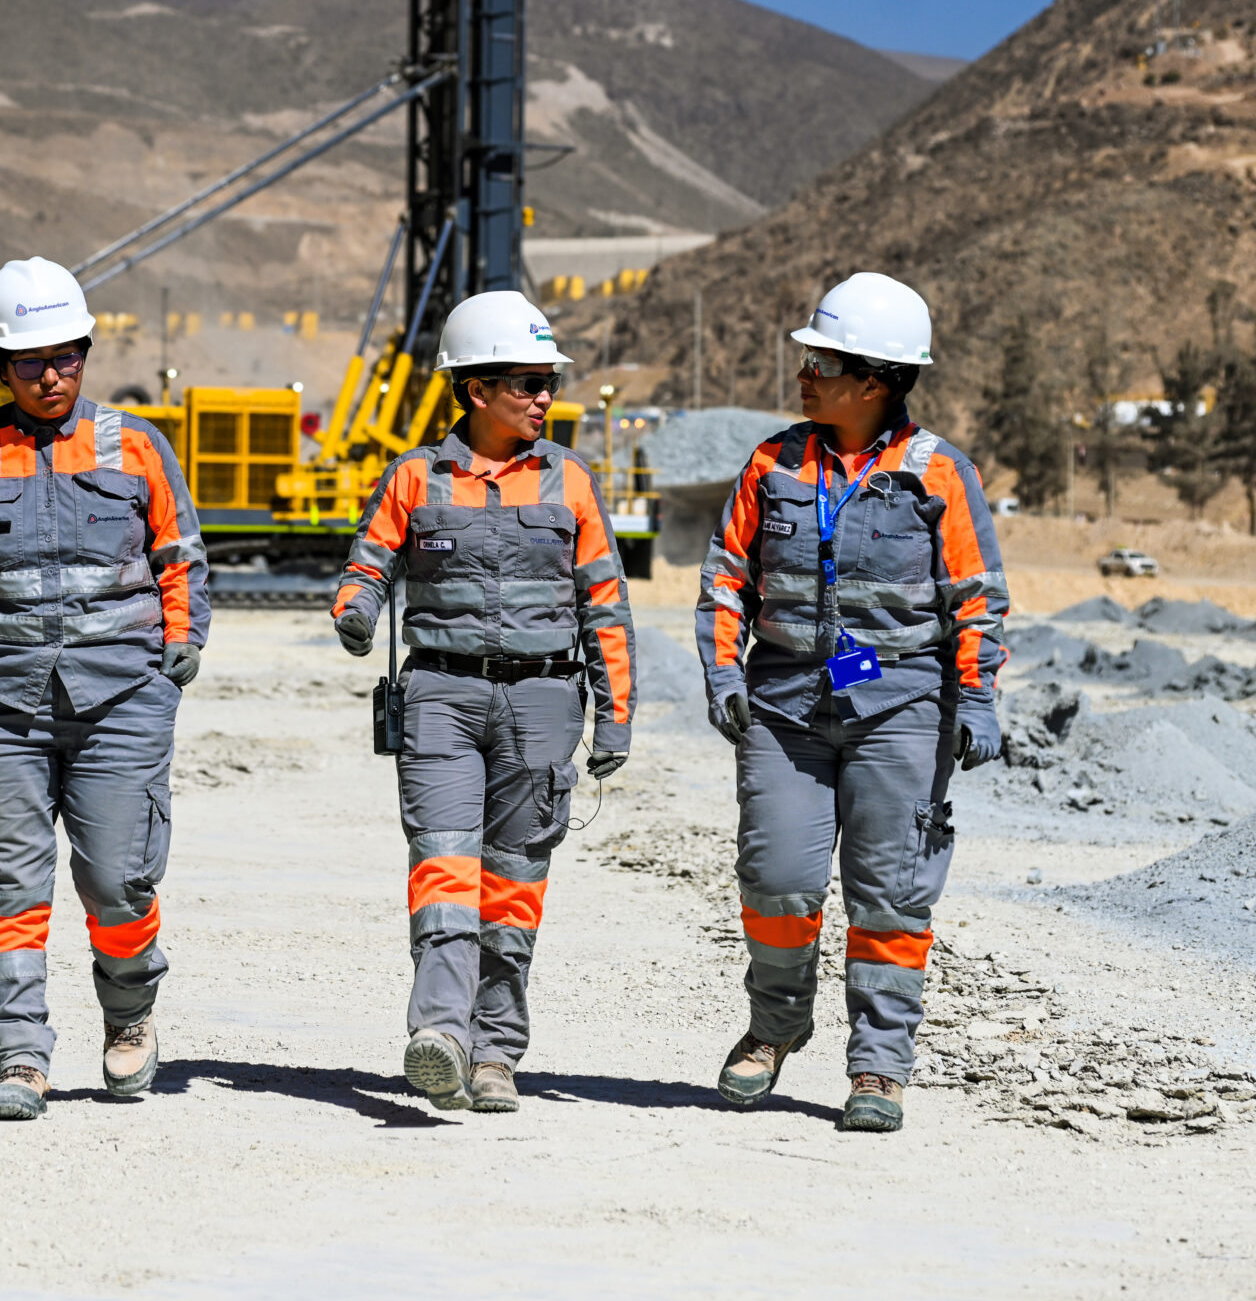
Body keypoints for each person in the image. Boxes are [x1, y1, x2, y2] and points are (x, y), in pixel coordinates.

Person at [0, 257, 208, 1120]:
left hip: (123, 701)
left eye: (66, 355)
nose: (51, 374)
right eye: (30, 360)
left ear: (86, 352)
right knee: (11, 884)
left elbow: (180, 557)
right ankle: (20, 1056)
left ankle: (129, 1012)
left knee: (118, 880)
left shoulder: (136, 446)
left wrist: (181, 646)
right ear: (1, 365)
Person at [697, 271, 1008, 1133]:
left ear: (876, 379)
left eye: (823, 362)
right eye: (808, 358)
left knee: (891, 893)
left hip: (901, 707)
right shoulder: (772, 463)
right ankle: (775, 1026)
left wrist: (977, 696)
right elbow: (725, 579)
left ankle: (879, 1064)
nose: (805, 374)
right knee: (777, 880)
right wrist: (723, 674)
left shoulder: (940, 473)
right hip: (785, 706)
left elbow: (977, 598)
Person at [331, 290, 636, 1115]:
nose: (544, 397)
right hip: (441, 695)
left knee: (513, 880)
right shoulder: (415, 478)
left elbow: (606, 604)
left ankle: (496, 1050)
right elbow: (368, 562)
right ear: (475, 389)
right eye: (527, 383)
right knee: (443, 864)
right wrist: (356, 609)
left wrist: (615, 715)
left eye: (548, 382)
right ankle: (440, 1033)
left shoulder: (570, 480)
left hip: (543, 701)